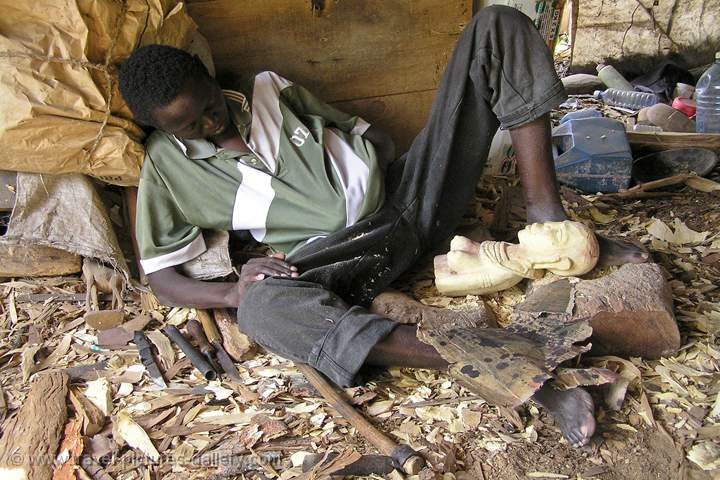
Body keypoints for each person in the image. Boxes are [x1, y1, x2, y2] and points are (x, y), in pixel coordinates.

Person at [119, 6, 648, 448]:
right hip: (334, 259)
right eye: (192, 127)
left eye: (209, 106)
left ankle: (548, 227)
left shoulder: (266, 89)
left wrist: (381, 172)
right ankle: (510, 368)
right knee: (263, 311)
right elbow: (162, 279)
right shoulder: (165, 168)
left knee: (498, 26)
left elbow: (368, 134)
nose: (212, 124)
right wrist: (235, 290)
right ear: (161, 129)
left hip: (408, 201)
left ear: (206, 73)